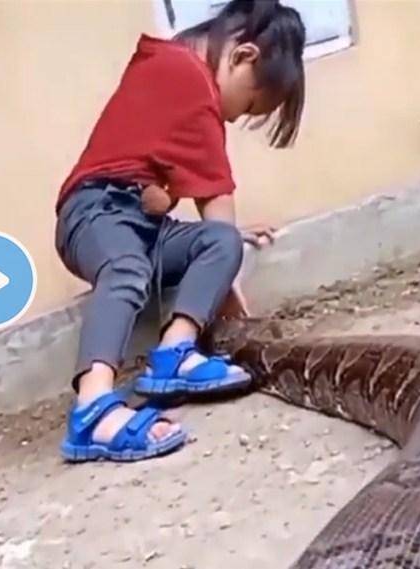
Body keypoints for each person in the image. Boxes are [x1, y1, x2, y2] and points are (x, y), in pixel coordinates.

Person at [54, 0, 307, 463]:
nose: (235, 117)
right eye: (249, 103)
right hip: (94, 211)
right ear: (242, 56)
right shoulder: (184, 74)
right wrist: (225, 283)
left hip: (146, 227)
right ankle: (91, 409)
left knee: (221, 239)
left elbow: (211, 204)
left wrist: (223, 247)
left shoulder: (184, 73)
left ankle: (172, 356)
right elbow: (216, 191)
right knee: (130, 265)